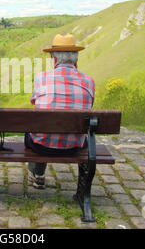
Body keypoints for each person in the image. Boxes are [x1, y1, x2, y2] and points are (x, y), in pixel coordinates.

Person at [25, 33, 95, 189]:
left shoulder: (41, 78)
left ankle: (37, 174)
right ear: (76, 58)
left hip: (42, 146)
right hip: (74, 147)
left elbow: (35, 102)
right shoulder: (89, 81)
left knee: (37, 127)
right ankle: (81, 190)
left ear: (54, 58)